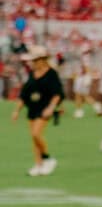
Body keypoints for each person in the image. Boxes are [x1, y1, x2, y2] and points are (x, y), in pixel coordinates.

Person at [12, 45, 64, 176]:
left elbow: (57, 93)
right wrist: (17, 110)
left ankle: (47, 158)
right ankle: (38, 164)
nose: (32, 63)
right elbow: (24, 94)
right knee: (34, 139)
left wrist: (51, 108)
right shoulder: (31, 74)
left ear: (42, 60)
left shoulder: (51, 74)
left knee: (36, 134)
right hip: (32, 108)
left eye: (34, 60)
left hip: (45, 108)